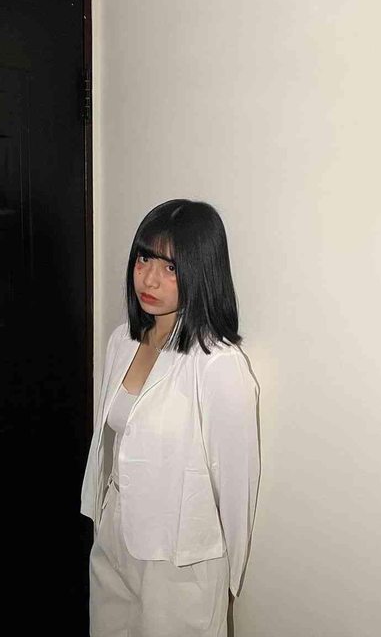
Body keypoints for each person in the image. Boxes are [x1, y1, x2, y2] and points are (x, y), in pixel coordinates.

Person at [80, 199, 260, 637]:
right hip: (115, 534)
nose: (149, 278)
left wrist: (228, 582)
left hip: (178, 559)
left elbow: (237, 483)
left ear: (201, 271)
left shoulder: (217, 363)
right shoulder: (122, 340)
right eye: (144, 259)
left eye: (171, 268)